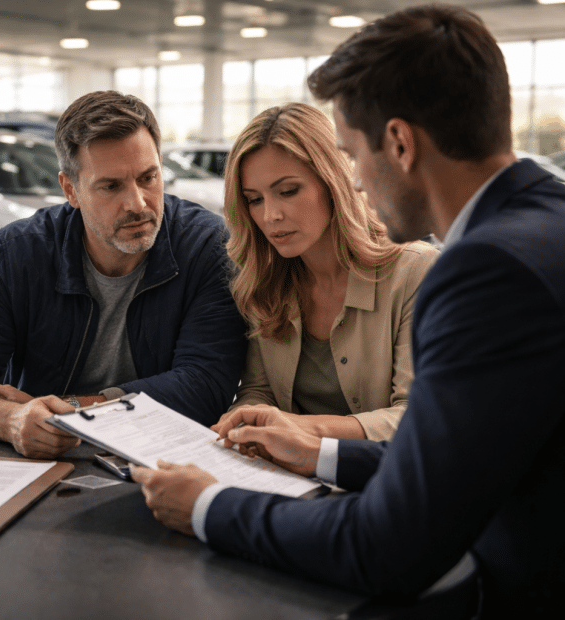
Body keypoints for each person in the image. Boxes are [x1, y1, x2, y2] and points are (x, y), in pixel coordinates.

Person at [131, 5, 565, 617]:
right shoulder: (546, 224)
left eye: (353, 155)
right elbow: (449, 450)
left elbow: (391, 545)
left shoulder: (484, 270)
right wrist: (317, 453)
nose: (359, 180)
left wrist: (207, 506)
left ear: (399, 143)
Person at [0, 90, 247, 459]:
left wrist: (74, 411)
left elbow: (205, 385)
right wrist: (9, 418)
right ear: (70, 190)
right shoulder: (18, 253)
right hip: (42, 459)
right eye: (111, 186)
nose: (138, 204)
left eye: (148, 178)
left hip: (163, 460)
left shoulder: (205, 245)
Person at [220, 102, 438, 442]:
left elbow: (416, 416)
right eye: (254, 199)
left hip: (380, 483)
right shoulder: (263, 280)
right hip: (288, 480)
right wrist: (241, 425)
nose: (269, 216)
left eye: (288, 191)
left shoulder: (415, 271)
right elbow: (257, 392)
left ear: (333, 181)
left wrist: (298, 431)